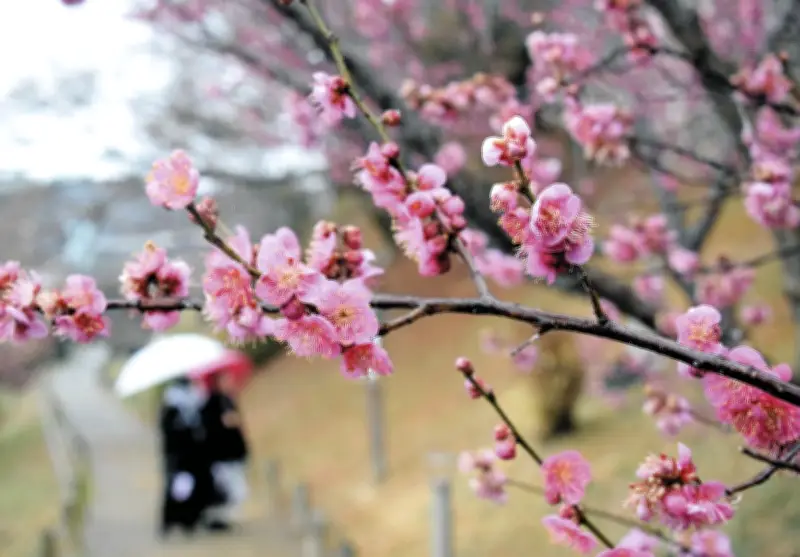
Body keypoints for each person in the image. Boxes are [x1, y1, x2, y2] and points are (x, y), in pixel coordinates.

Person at [157, 377, 221, 537]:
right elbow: (168, 433)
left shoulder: (197, 403)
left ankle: (190, 521)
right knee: (179, 490)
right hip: (179, 457)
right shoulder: (171, 408)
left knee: (195, 489)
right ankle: (173, 520)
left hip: (195, 456)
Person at [200, 370, 250, 531]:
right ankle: (219, 519)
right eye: (226, 380)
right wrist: (222, 423)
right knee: (225, 488)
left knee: (237, 489)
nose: (230, 383)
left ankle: (225, 517)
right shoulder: (211, 404)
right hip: (221, 454)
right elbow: (208, 429)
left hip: (234, 453)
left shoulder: (229, 400)